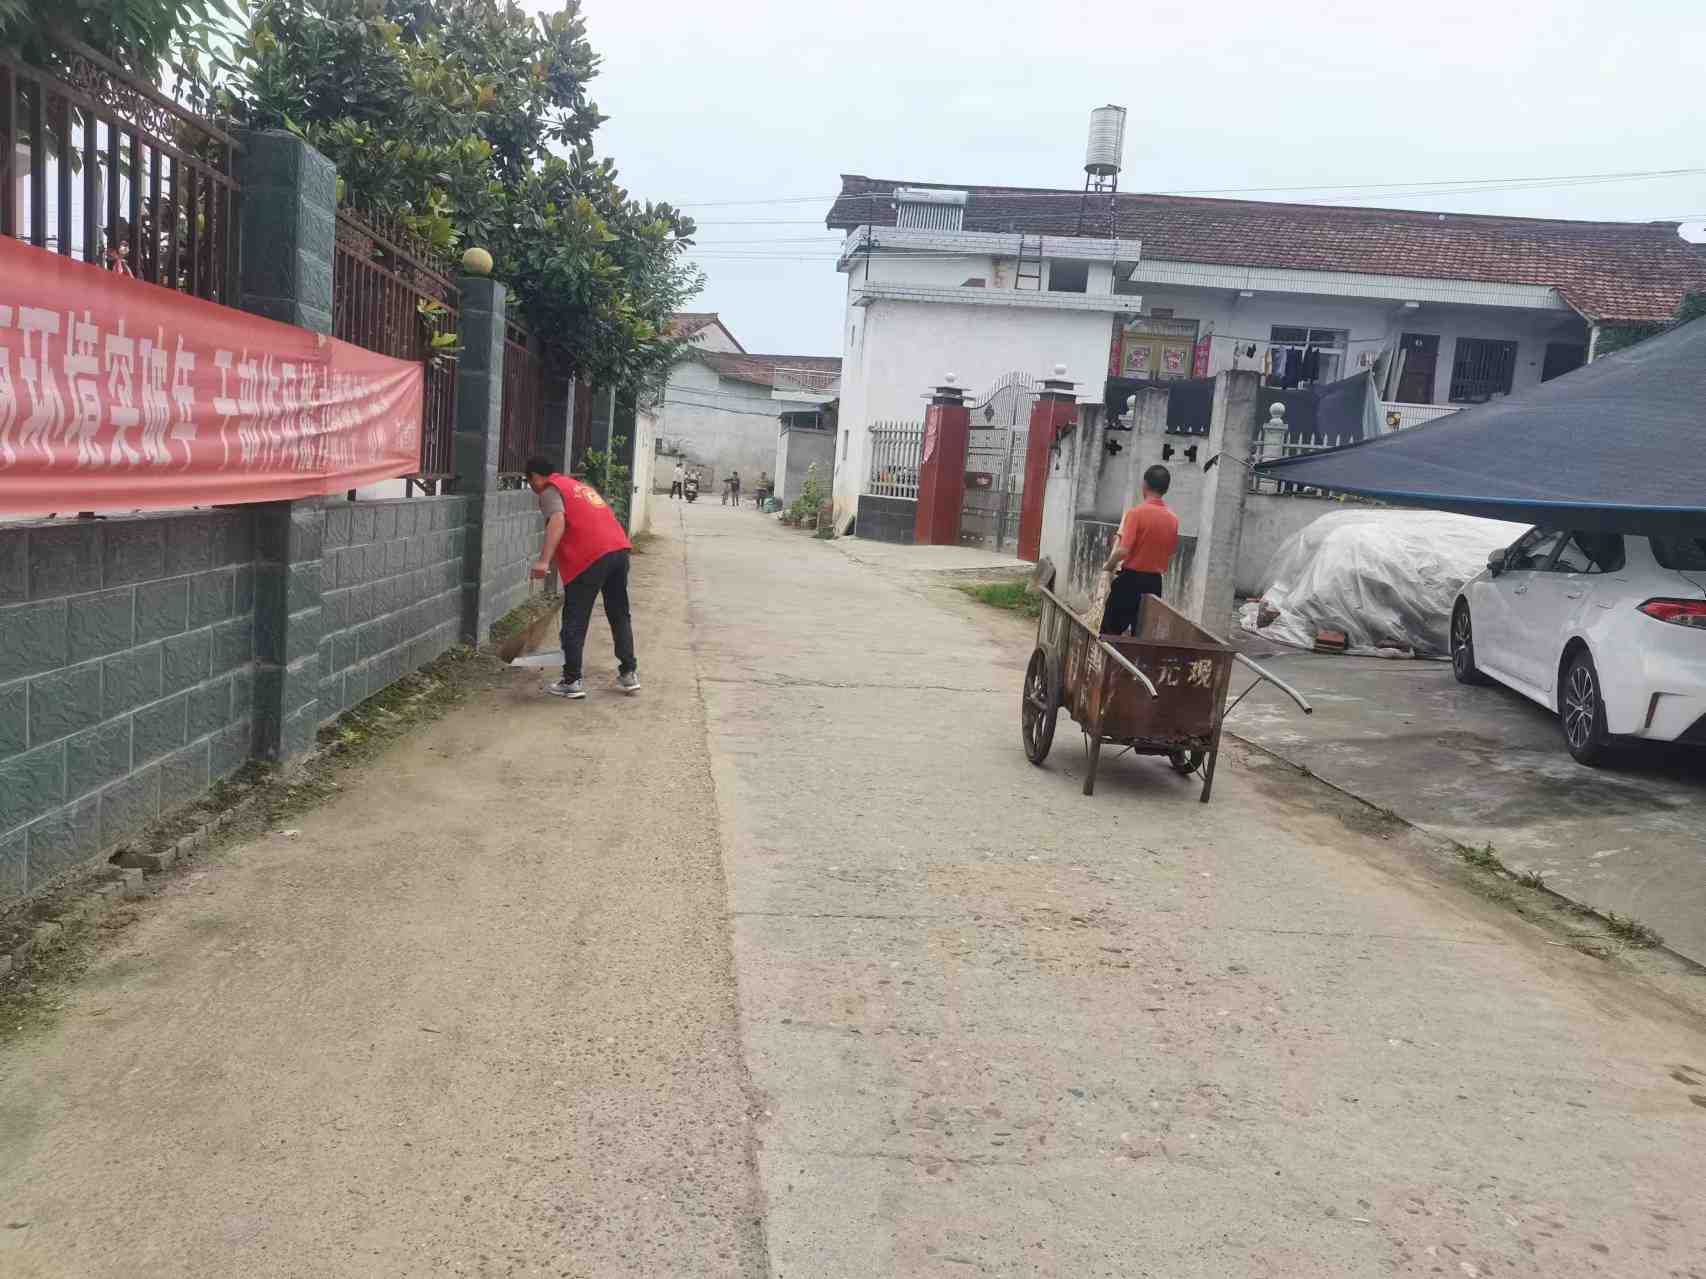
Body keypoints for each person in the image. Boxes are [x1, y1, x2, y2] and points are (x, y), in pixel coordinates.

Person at [525, 456, 639, 699]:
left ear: (534, 477)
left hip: (591, 557)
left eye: (529, 481)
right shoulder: (578, 487)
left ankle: (571, 680)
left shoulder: (549, 490)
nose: (532, 487)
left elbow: (557, 520)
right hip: (618, 551)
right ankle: (629, 673)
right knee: (619, 614)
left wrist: (543, 561)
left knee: (575, 619)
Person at [1100, 464, 1180, 637]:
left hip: (1130, 581)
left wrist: (1108, 566)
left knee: (1110, 634)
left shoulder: (1136, 513)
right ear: (1166, 489)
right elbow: (1170, 552)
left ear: (1144, 484)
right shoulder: (1173, 519)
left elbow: (1123, 551)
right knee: (1142, 637)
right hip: (1154, 585)